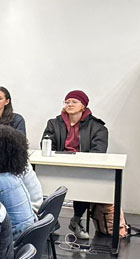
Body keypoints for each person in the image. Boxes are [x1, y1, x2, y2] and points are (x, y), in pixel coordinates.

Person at [41, 90, 109, 239]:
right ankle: (50, 221)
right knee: (43, 180)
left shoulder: (97, 127)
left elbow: (98, 151)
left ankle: (76, 220)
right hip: (58, 166)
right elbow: (46, 144)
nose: (70, 104)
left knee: (85, 183)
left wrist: (79, 160)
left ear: (83, 106)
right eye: (67, 102)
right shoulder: (54, 123)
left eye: (74, 102)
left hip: (82, 168)